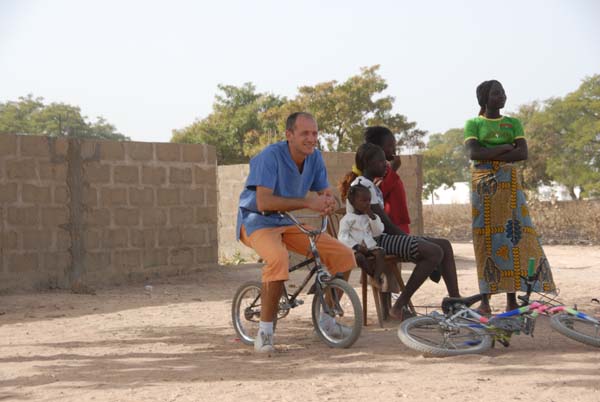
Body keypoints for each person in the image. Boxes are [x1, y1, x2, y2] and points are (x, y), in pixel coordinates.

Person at [236, 112, 357, 353]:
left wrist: (329, 200)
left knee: (344, 256)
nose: (312, 139)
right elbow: (263, 202)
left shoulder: (315, 158)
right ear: (289, 135)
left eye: (315, 133)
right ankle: (265, 333)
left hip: (285, 220)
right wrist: (308, 203)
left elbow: (324, 191)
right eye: (305, 133)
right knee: (278, 260)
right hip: (256, 221)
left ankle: (327, 322)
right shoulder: (270, 157)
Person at [339, 143, 461, 321]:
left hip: (382, 236)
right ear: (367, 163)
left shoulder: (369, 185)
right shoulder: (362, 187)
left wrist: (411, 240)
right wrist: (411, 240)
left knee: (444, 244)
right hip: (374, 241)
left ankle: (455, 303)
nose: (385, 164)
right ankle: (399, 306)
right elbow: (386, 225)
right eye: (380, 161)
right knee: (433, 251)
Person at [464, 80, 555, 314]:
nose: (503, 96)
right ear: (485, 98)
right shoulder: (473, 123)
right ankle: (485, 301)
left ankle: (511, 299)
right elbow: (474, 153)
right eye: (497, 93)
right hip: (482, 184)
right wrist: (506, 148)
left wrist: (491, 153)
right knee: (484, 240)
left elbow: (522, 153)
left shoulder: (513, 123)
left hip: (508, 183)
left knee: (512, 236)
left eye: (503, 92)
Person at [338, 182, 388, 289]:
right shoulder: (347, 219)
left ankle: (376, 277)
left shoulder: (370, 217)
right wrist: (356, 247)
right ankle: (372, 275)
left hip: (370, 247)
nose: (367, 204)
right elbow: (342, 237)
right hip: (355, 250)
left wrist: (372, 217)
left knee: (381, 252)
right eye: (363, 201)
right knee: (359, 258)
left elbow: (378, 231)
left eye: (369, 200)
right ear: (353, 202)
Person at [364, 126, 411, 233]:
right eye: (390, 146)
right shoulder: (375, 172)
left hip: (401, 223)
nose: (394, 150)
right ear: (377, 149)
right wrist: (393, 170)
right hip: (391, 227)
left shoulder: (387, 169)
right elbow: (378, 193)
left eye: (395, 146)